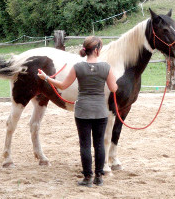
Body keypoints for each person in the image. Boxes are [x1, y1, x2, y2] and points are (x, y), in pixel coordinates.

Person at [37, 36, 118, 187]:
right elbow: (113, 89)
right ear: (96, 50)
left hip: (82, 111)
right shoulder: (106, 67)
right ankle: (99, 177)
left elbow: (62, 86)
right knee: (99, 144)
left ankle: (87, 177)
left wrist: (46, 77)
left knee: (85, 145)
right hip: (100, 110)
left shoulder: (77, 67)